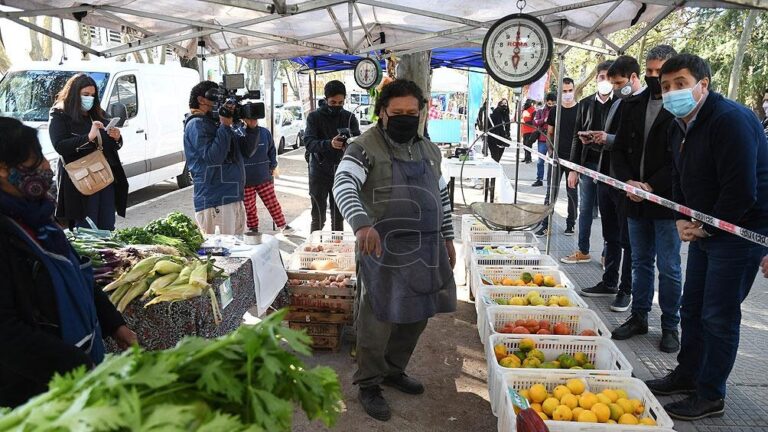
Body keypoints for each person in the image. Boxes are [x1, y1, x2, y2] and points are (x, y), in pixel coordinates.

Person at [644, 54, 768, 420]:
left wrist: (707, 227)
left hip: (742, 231)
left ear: (703, 85)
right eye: (666, 87)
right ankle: (688, 374)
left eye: (680, 84)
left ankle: (711, 394)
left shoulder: (729, 120)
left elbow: (741, 190)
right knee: (692, 307)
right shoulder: (677, 124)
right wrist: (683, 216)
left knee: (718, 315)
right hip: (705, 227)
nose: (672, 92)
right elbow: (681, 177)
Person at [333, 79, 456, 422]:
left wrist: (448, 236)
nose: (404, 118)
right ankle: (369, 383)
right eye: (397, 112)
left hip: (425, 248)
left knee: (417, 314)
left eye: (411, 113)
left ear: (421, 113)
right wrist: (361, 224)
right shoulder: (363, 146)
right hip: (380, 248)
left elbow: (442, 197)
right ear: (382, 112)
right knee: (377, 319)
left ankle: (393, 369)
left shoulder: (430, 151)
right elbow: (343, 183)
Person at [0, 117, 137, 408]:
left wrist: (114, 323)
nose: (47, 168)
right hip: (33, 394)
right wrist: (76, 365)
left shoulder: (39, 220)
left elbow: (77, 273)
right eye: (34, 161)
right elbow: (7, 332)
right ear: (2, 170)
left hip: (74, 379)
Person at [608, 47, 683, 353]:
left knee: (668, 266)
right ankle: (639, 315)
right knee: (640, 261)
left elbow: (680, 157)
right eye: (649, 72)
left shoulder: (679, 108)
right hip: (634, 198)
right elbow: (620, 148)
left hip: (665, 202)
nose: (653, 77)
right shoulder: (632, 104)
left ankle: (670, 325)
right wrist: (628, 182)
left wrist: (652, 185)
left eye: (659, 72)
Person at [576, 57, 635, 314]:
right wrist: (596, 139)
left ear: (633, 79)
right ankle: (610, 281)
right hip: (605, 177)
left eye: (618, 82)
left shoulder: (637, 104)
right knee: (611, 234)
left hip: (627, 183)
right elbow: (614, 138)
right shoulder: (615, 104)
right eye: (610, 81)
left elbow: (632, 141)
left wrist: (607, 138)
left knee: (628, 239)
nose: (613, 86)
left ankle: (626, 289)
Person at [49, 73, 128, 231]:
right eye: (85, 95)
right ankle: (87, 257)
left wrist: (117, 137)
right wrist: (89, 137)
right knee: (86, 228)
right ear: (74, 94)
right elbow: (60, 146)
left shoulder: (97, 113)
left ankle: (107, 255)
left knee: (106, 225)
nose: (89, 99)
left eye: (92, 95)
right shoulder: (59, 114)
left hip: (104, 176)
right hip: (80, 180)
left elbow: (111, 145)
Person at [183, 81, 256, 235]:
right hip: (215, 199)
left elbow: (248, 151)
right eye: (215, 98)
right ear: (201, 100)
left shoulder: (219, 123)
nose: (219, 103)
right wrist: (224, 126)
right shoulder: (196, 124)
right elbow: (213, 158)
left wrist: (251, 128)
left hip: (232, 196)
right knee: (220, 254)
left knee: (236, 252)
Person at [564, 60, 615, 264]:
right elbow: (576, 137)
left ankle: (606, 254)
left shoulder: (619, 103)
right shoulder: (584, 104)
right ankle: (582, 250)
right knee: (584, 209)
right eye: (602, 77)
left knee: (607, 211)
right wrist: (573, 169)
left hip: (610, 167)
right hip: (588, 164)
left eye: (609, 78)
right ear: (596, 79)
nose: (605, 81)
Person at [305, 80, 360, 232]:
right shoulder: (314, 117)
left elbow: (357, 142)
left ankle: (336, 252)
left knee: (338, 218)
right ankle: (315, 250)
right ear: (326, 99)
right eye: (333, 102)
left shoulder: (349, 117)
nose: (336, 106)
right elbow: (309, 143)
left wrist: (348, 145)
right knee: (318, 217)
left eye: (340, 102)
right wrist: (329, 144)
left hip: (341, 172)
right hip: (318, 173)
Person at [535, 78, 579, 238]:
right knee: (551, 192)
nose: (567, 94)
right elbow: (550, 133)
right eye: (564, 91)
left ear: (574, 90)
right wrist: (551, 151)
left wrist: (577, 163)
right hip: (556, 158)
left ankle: (571, 224)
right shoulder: (555, 111)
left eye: (570, 90)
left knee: (572, 193)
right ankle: (545, 225)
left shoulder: (581, 109)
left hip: (573, 160)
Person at [239, 115, 293, 234]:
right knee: (249, 207)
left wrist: (273, 165)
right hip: (245, 179)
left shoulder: (264, 132)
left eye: (254, 117)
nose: (253, 120)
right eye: (249, 118)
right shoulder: (238, 133)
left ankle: (282, 225)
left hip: (264, 176)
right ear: (243, 119)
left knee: (272, 203)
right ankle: (253, 228)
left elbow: (272, 150)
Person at [532, 93, 556, 186]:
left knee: (552, 161)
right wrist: (544, 120)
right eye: (550, 103)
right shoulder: (541, 110)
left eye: (553, 103)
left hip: (553, 139)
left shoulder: (558, 110)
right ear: (546, 102)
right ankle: (539, 179)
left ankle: (551, 179)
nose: (552, 105)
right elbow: (535, 122)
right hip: (542, 139)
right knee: (540, 161)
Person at [520, 99, 537, 163]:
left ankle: (529, 159)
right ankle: (526, 157)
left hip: (530, 131)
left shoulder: (533, 110)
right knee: (524, 144)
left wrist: (526, 122)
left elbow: (534, 121)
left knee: (528, 145)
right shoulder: (524, 109)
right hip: (524, 130)